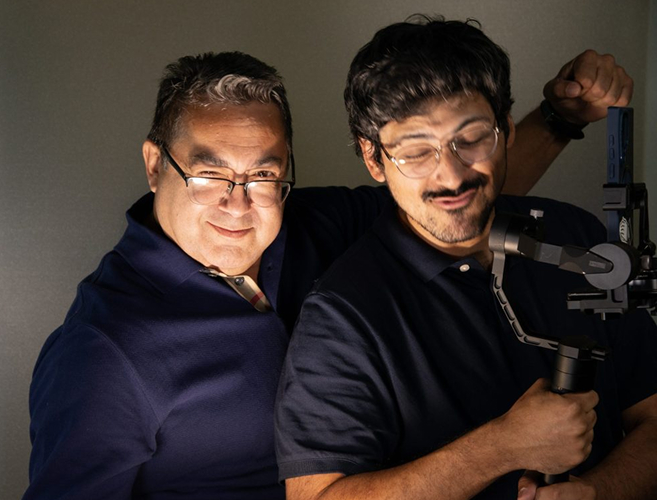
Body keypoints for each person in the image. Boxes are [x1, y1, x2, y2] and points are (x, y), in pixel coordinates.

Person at [24, 42, 633, 499]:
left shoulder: (308, 224)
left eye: (263, 175)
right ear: (156, 164)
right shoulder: (102, 350)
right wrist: (502, 447)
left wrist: (561, 119)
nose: (238, 204)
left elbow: (447, 200)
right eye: (209, 175)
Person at [274, 17, 657, 500]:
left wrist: (598, 491)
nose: (451, 176)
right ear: (374, 160)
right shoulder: (342, 316)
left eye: (472, 138)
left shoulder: (578, 238)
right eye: (415, 151)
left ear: (507, 130)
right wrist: (501, 447)